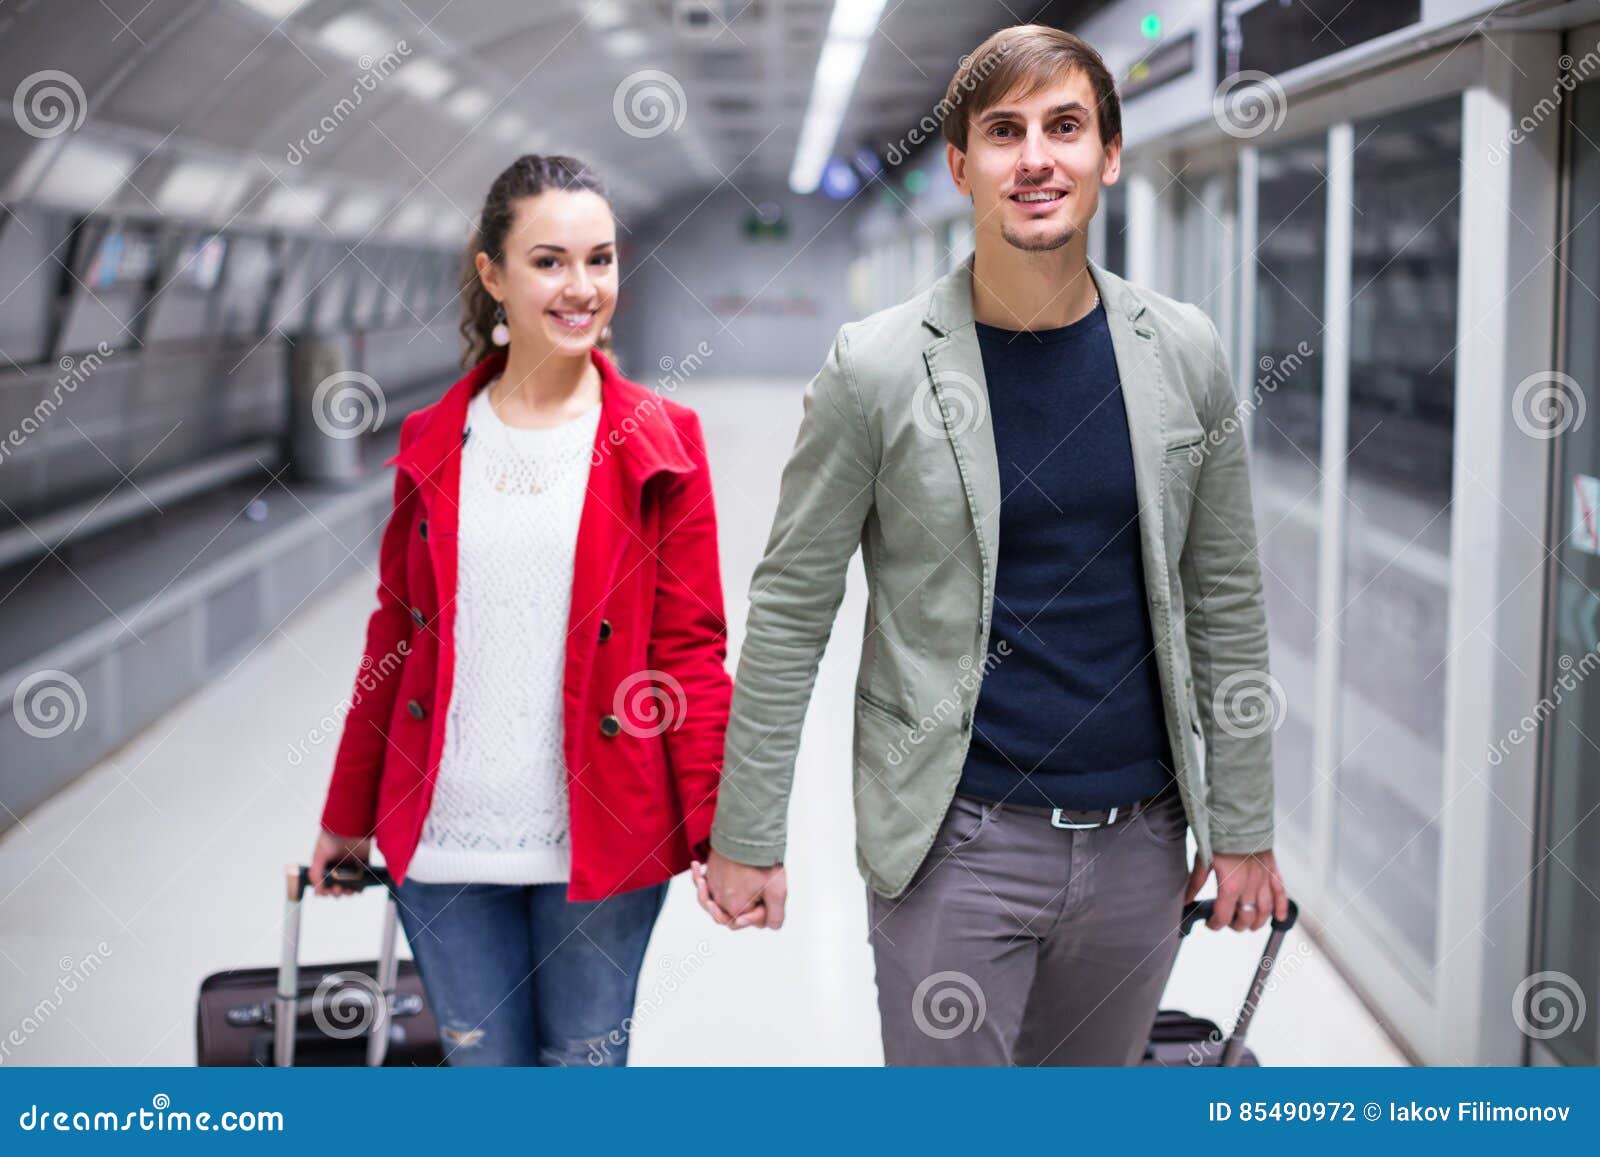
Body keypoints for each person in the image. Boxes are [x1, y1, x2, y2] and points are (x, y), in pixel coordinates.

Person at [696, 24, 1289, 1066]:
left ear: (1108, 153)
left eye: (1064, 126)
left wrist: (1240, 822)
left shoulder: (1180, 349)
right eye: (1004, 131)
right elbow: (792, 604)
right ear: (963, 165)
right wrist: (747, 828)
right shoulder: (876, 368)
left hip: (1142, 844)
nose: (1034, 158)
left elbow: (1225, 596)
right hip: (954, 843)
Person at [310, 154, 732, 1067]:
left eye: (601, 259)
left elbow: (691, 650)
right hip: (444, 843)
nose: (582, 288)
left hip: (603, 843)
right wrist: (346, 811)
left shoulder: (662, 442)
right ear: (492, 273)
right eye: (549, 261)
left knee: (584, 1072)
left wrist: (719, 830)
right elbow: (393, 633)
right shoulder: (436, 438)